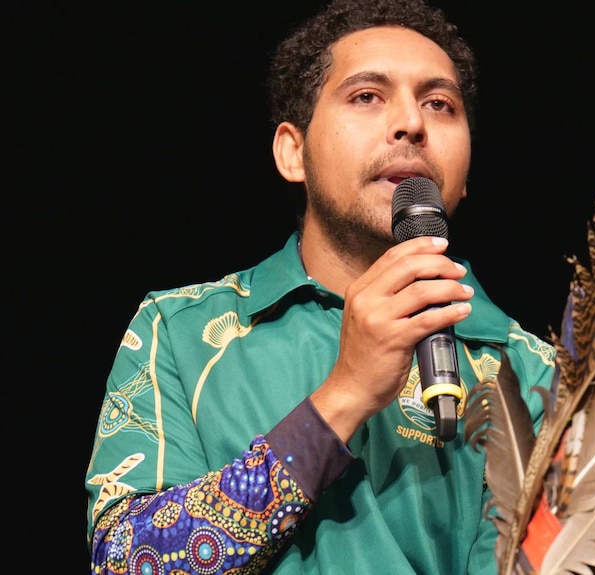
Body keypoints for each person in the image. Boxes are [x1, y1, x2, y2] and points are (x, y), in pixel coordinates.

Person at [85, 1, 556, 573]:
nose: (412, 123)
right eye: (367, 96)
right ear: (293, 151)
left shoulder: (535, 374)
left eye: (440, 104)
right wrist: (344, 396)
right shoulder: (179, 331)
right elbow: (124, 563)